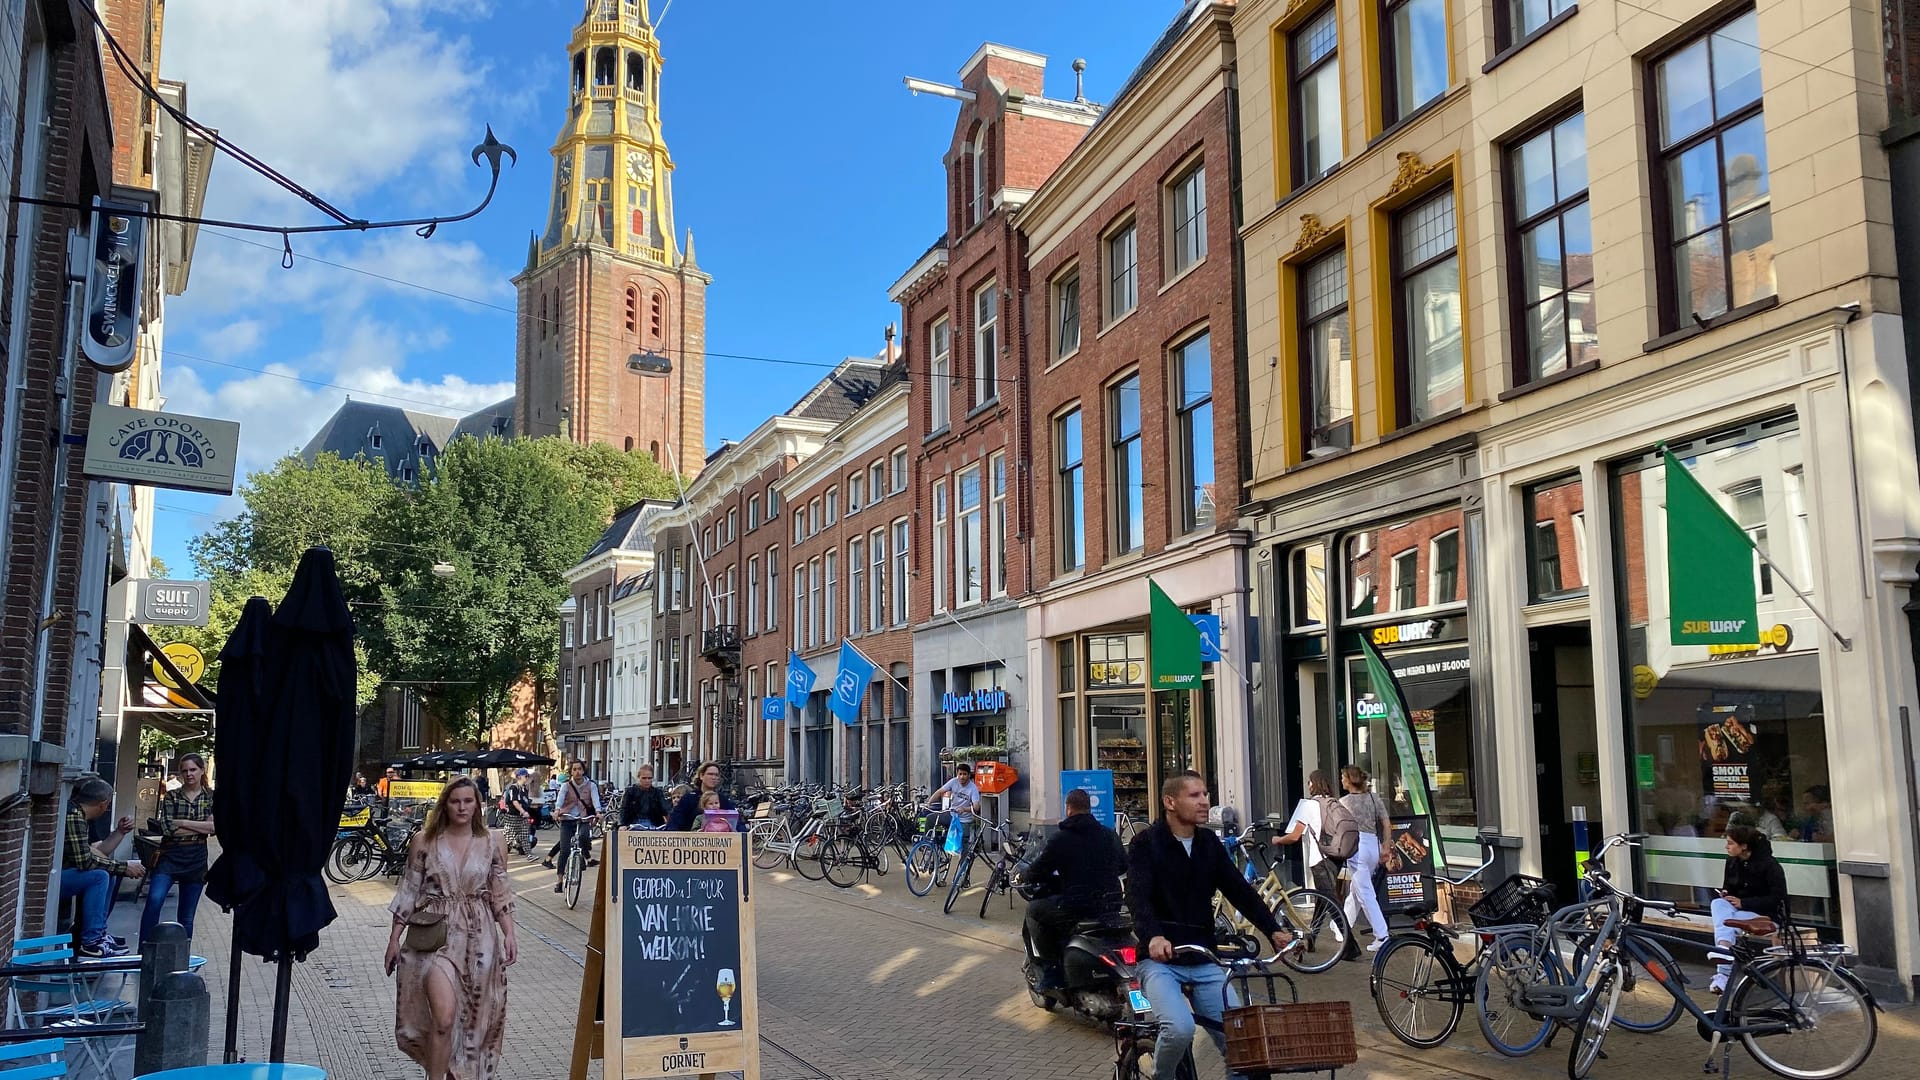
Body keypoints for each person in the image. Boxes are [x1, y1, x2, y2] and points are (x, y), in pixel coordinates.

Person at [1128, 772, 1292, 1080]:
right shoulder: (1146, 843)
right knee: (1179, 1028)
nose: (1205, 801)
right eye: (1195, 795)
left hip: (1204, 958)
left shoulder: (1208, 844)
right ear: (1170, 802)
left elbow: (1240, 890)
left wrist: (1273, 930)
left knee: (1243, 1044)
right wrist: (1153, 936)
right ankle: (1161, 1077)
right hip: (1161, 961)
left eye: (1205, 794)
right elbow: (1137, 897)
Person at [385, 776, 517, 1080]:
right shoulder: (425, 840)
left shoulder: (491, 841)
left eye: (468, 801)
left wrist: (509, 932)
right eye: (455, 801)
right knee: (443, 1019)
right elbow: (408, 890)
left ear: (477, 805)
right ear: (445, 804)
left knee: (472, 1021)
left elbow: (500, 890)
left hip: (480, 938)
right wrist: (394, 937)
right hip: (436, 936)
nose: (461, 807)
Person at [1023, 788, 1126, 990]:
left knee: (1034, 911)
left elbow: (1039, 869)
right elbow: (1124, 865)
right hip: (1110, 905)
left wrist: (1026, 875)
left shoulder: (1061, 839)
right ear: (1089, 809)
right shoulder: (1109, 835)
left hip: (1077, 906)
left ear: (1068, 809)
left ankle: (1052, 969)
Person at [61, 776, 145, 957]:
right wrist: (124, 867)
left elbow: (97, 854)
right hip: (54, 881)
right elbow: (85, 861)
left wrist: (120, 832)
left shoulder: (79, 815)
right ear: (103, 804)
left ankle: (97, 934)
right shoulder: (74, 817)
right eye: (108, 806)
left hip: (63, 875)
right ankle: (91, 942)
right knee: (100, 876)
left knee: (106, 872)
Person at [142, 752, 214, 943]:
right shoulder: (172, 796)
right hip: (170, 854)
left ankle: (182, 956)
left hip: (196, 858)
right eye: (185, 770)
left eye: (193, 769)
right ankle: (144, 950)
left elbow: (214, 828)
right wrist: (200, 828)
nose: (189, 774)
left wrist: (181, 822)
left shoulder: (212, 797)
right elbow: (168, 829)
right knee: (154, 902)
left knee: (187, 916)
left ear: (201, 770)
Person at [1708, 824, 1788, 994]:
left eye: (1730, 843)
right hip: (1737, 911)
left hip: (1765, 915)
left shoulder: (1770, 866)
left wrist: (1743, 903)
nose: (1726, 847)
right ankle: (1724, 949)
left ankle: (1723, 971)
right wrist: (1726, 894)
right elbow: (1730, 889)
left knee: (1727, 923)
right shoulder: (1731, 862)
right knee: (1717, 904)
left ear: (1744, 846)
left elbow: (1777, 899)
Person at [1338, 766, 1392, 953]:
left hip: (1357, 848)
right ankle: (1342, 925)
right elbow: (1386, 823)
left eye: (1343, 777)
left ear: (1350, 780)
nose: (1341, 780)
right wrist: (1386, 845)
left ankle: (1382, 934)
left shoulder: (1343, 802)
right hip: (1373, 845)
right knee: (1357, 888)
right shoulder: (1373, 798)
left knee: (1365, 892)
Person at [1270, 770, 1339, 896]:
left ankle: (1338, 916)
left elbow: (1294, 836)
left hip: (1319, 858)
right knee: (1325, 898)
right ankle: (1326, 916)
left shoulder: (1309, 805)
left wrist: (1278, 840)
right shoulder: (1334, 803)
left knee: (1327, 899)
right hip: (1335, 856)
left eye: (1309, 782)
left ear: (1312, 784)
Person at [542, 762, 603, 892]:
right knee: (564, 850)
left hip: (583, 818)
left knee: (584, 836)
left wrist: (598, 811)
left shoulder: (591, 785)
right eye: (574, 769)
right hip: (567, 818)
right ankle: (559, 881)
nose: (577, 772)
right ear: (571, 772)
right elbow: (560, 799)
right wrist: (557, 810)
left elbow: (595, 799)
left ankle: (583, 855)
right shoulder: (566, 786)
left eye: (579, 769)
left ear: (583, 770)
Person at [922, 762, 982, 853]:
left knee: (963, 848)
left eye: (965, 774)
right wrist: (929, 802)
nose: (962, 777)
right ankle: (928, 846)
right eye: (960, 774)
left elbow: (976, 807)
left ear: (969, 775)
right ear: (957, 774)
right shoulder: (954, 781)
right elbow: (939, 792)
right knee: (930, 819)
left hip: (963, 820)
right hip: (951, 815)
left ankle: (963, 865)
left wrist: (964, 809)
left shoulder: (973, 788)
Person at [666, 762, 736, 831]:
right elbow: (675, 821)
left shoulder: (722, 799)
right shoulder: (689, 798)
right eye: (710, 774)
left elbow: (735, 820)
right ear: (701, 776)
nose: (714, 777)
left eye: (716, 775)